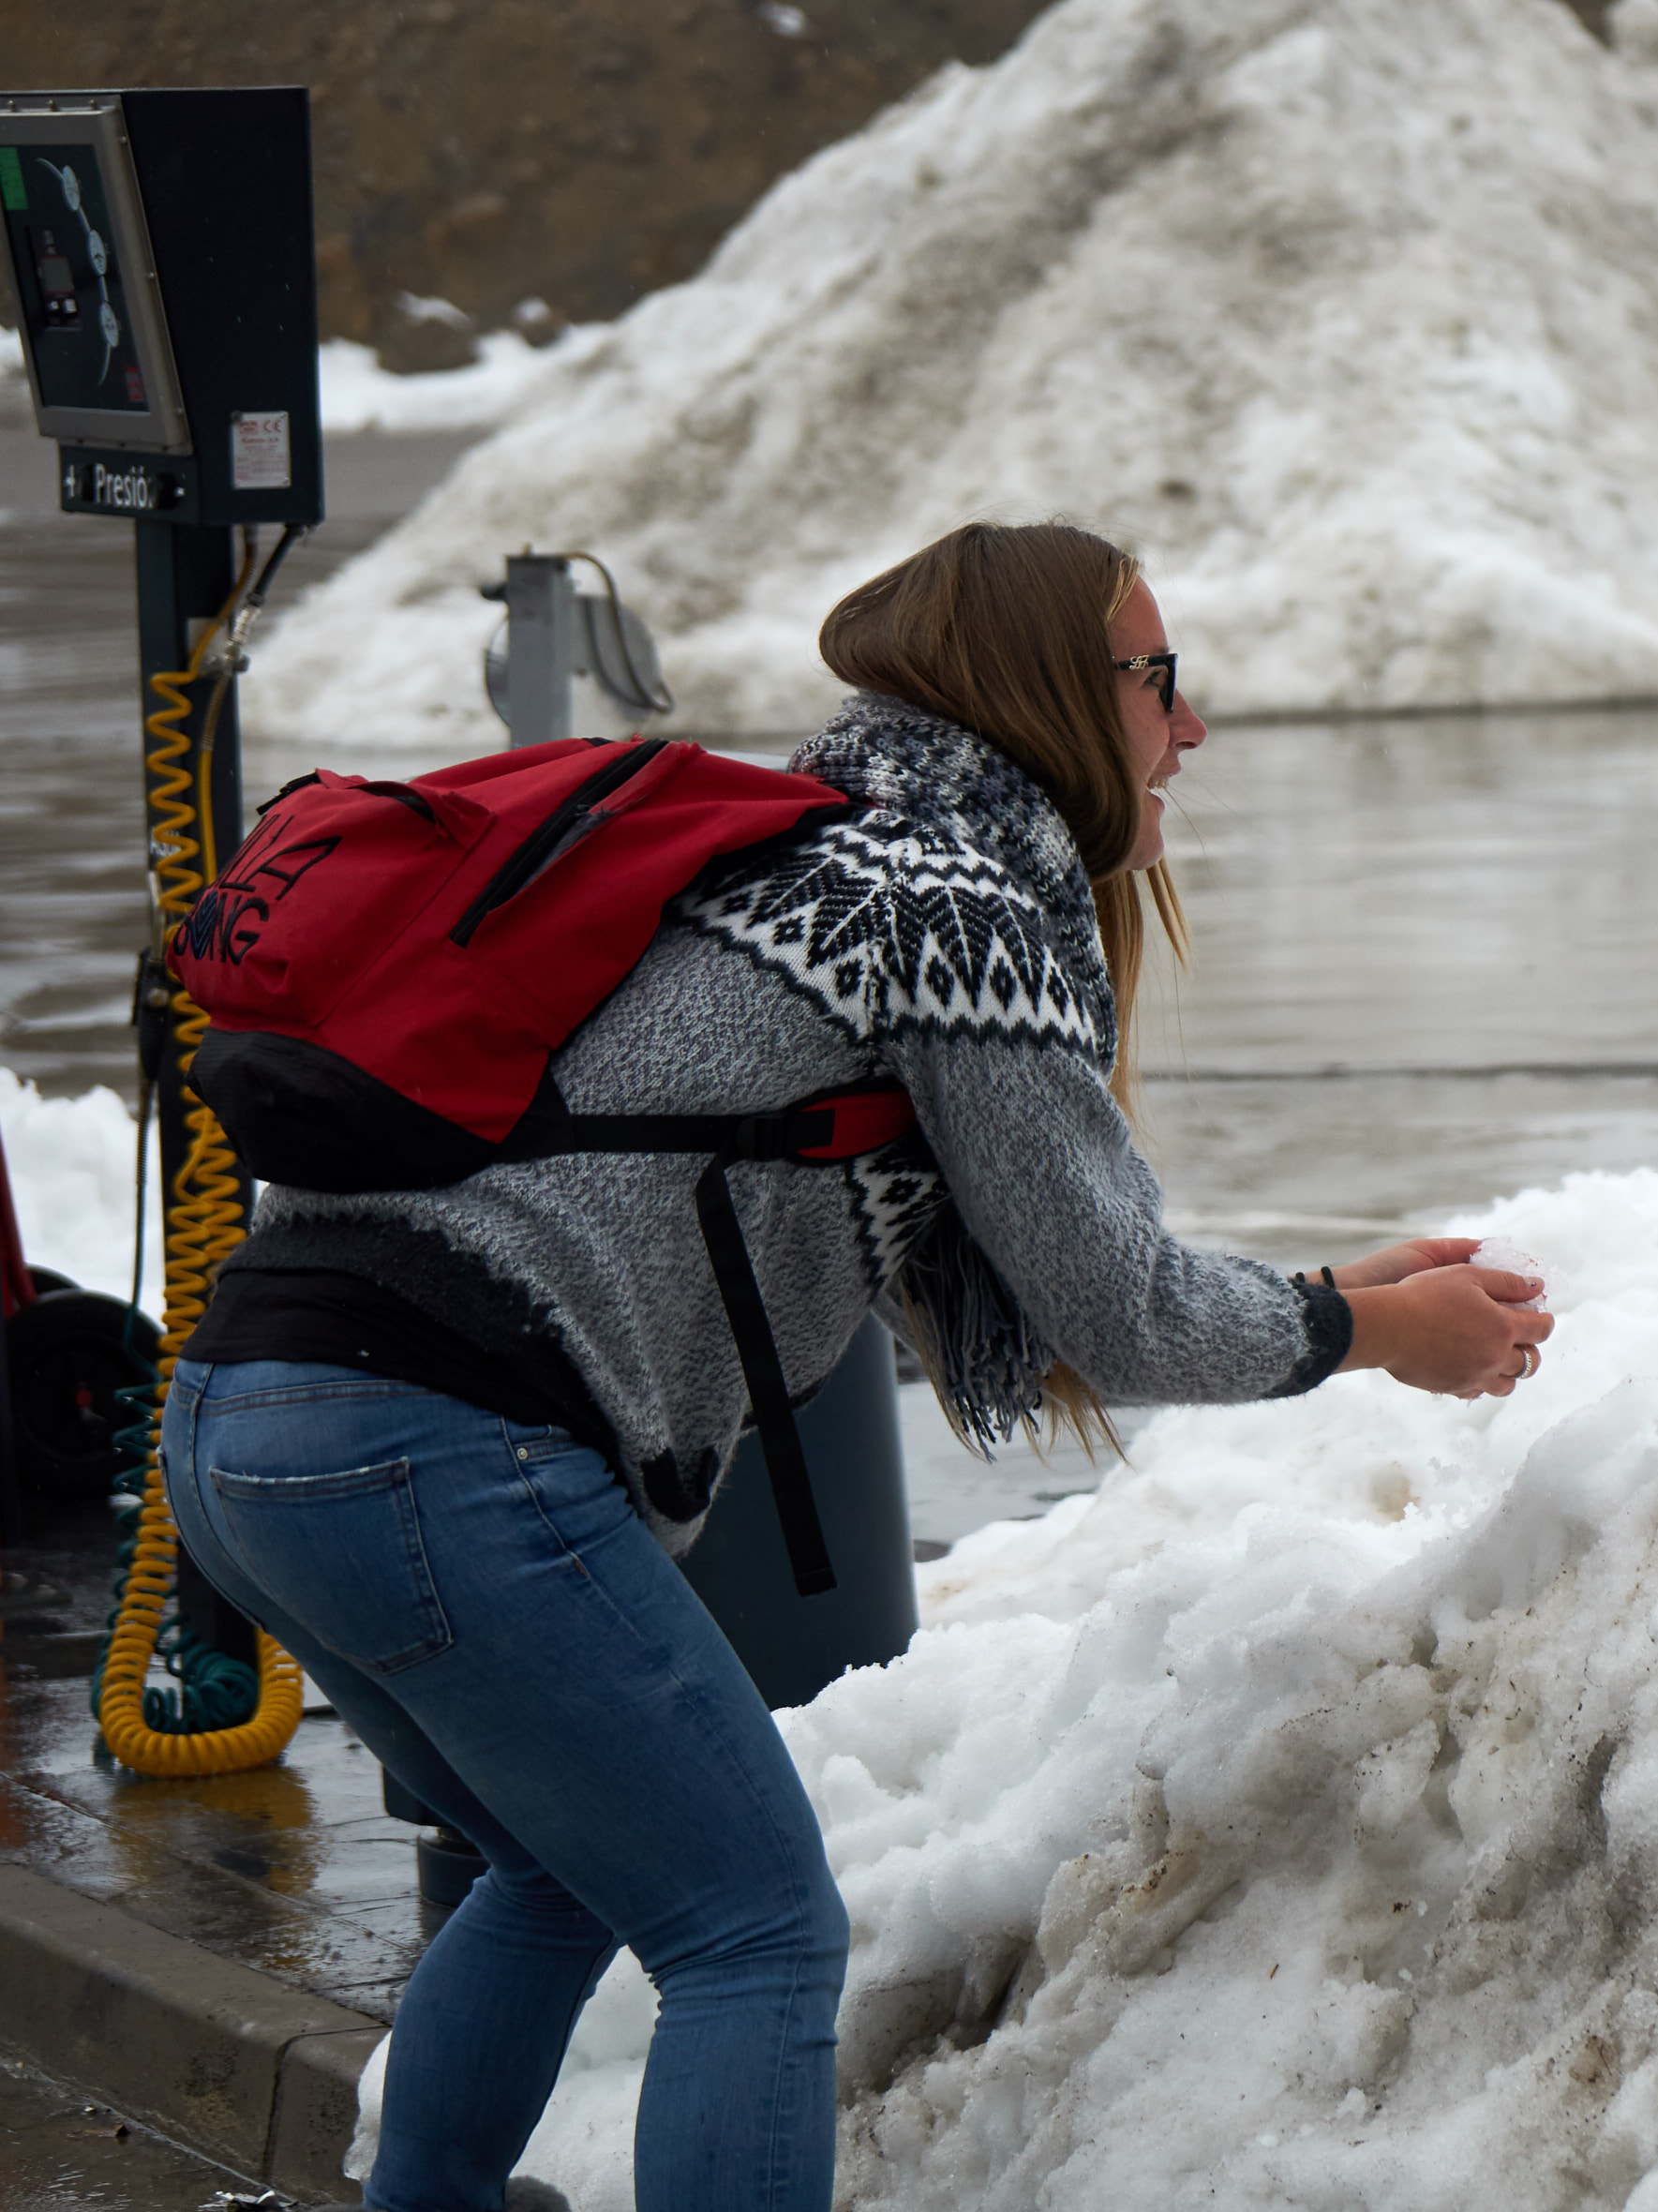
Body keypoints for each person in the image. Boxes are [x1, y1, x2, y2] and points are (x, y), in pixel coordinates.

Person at [157, 520, 1550, 2210]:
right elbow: (1116, 1312)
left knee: (552, 1867)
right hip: (439, 1452)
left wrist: (1326, 1290)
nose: (1188, 731)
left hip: (249, 1425)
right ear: (1057, 688)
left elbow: (984, 1248)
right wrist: (1375, 1336)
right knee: (753, 1932)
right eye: (1158, 681)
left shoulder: (768, 854)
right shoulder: (945, 901)